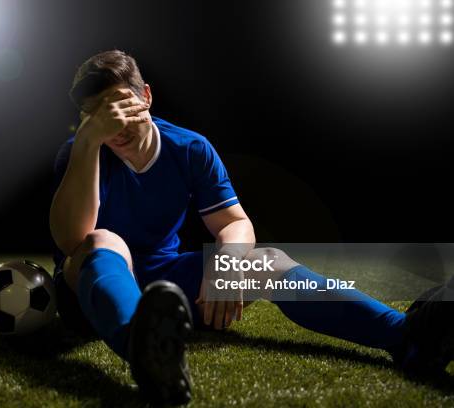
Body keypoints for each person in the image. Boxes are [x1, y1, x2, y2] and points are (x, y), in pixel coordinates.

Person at [49, 49, 454, 405]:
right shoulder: (81, 151)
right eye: (96, 113)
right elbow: (71, 240)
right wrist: (87, 143)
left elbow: (234, 222)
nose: (113, 121)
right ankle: (143, 348)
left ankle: (406, 336)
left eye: (119, 103)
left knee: (266, 261)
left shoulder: (189, 148)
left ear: (147, 96)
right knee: (104, 238)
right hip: (89, 296)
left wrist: (228, 263)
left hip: (167, 294)